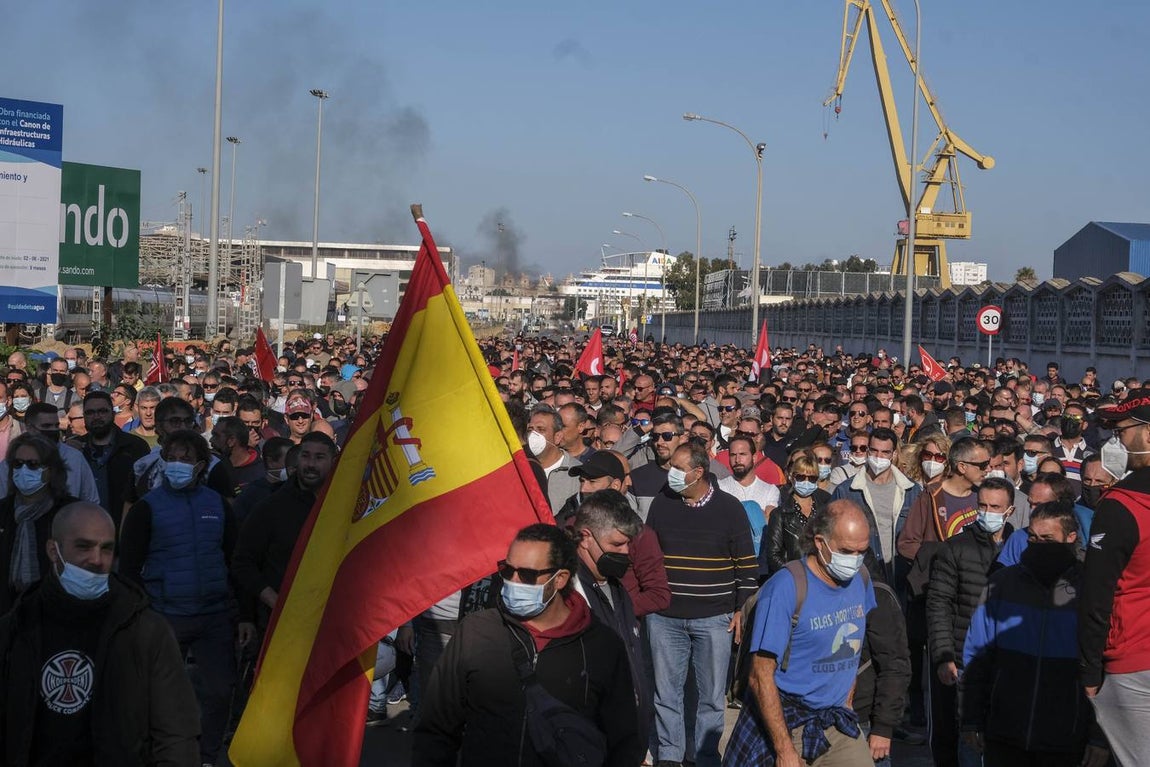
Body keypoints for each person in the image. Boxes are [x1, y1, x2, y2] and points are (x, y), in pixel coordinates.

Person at [413, 523, 643, 766]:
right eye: (507, 570)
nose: (513, 581)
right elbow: (436, 728)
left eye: (527, 575)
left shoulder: (603, 645)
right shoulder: (476, 631)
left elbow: (623, 740)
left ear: (560, 579)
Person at [0, 502, 201, 764]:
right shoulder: (16, 627)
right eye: (83, 546)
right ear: (53, 550)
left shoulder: (147, 631)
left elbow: (177, 732)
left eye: (107, 548)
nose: (97, 560)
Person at [118, 429, 242, 767]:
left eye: (185, 459)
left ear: (200, 465)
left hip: (214, 615)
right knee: (161, 695)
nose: (176, 464)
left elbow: (234, 559)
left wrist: (241, 614)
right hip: (165, 614)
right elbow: (128, 565)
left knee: (219, 692)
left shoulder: (216, 504)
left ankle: (205, 757)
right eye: (170, 458)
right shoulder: (147, 507)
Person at [725, 500, 877, 766]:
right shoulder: (786, 587)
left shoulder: (861, 579)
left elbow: (856, 643)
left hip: (835, 720)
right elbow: (760, 676)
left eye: (861, 552)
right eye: (846, 551)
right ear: (820, 542)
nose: (854, 560)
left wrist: (847, 699)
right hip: (787, 722)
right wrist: (784, 750)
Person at [962, 501, 1110, 767]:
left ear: (1071, 538)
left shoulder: (1090, 590)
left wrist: (1099, 736)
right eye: (1033, 537)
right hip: (1005, 733)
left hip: (1067, 737)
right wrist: (972, 718)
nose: (1038, 544)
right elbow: (977, 655)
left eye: (1048, 539)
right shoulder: (1002, 584)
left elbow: (1106, 666)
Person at [646, 442, 757, 767]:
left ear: (698, 472)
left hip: (714, 618)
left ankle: (705, 757)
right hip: (665, 618)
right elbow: (649, 556)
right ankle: (670, 756)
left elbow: (746, 567)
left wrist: (740, 610)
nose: (671, 473)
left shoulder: (730, 508)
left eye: (679, 469)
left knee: (710, 697)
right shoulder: (662, 503)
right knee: (667, 694)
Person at [1080, 390, 1150, 767]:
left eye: (1122, 431)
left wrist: (1089, 669)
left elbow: (1096, 594)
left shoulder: (1121, 505)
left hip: (1135, 662)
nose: (1116, 441)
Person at [925, 475, 1016, 767]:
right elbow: (938, 603)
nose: (987, 512)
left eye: (995, 506)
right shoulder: (955, 548)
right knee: (962, 736)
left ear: (1010, 511)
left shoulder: (1020, 547)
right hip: (963, 656)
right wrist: (943, 656)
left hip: (1005, 660)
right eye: (983, 505)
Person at [570, 490, 652, 745]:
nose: (626, 552)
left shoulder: (618, 590)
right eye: (617, 544)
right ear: (586, 538)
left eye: (628, 544)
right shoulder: (569, 594)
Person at [232, 433, 337, 628]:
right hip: (283, 624)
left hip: (333, 620)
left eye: (319, 457)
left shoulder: (345, 505)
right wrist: (275, 602)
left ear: (333, 461)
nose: (311, 464)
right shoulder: (271, 507)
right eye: (306, 456)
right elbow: (243, 562)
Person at [0, 433, 80, 613]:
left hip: (57, 613)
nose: (24, 470)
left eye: (33, 464)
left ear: (51, 469)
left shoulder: (71, 512)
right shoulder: (3, 511)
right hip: (7, 616)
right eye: (18, 464)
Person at [832, 427, 920, 587]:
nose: (878, 457)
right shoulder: (846, 490)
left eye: (885, 452)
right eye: (874, 451)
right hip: (862, 577)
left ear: (894, 455)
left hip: (902, 576)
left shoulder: (911, 490)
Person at [66, 391, 150, 531]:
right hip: (84, 530)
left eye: (102, 411)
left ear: (112, 413)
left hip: (124, 530)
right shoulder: (73, 450)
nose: (97, 416)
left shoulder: (135, 447)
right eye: (90, 412)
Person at [0, 403, 100, 505]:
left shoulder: (74, 458)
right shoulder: (13, 462)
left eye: (56, 425)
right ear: (29, 427)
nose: (53, 430)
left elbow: (91, 501)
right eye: (46, 426)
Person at [762, 453, 833, 577]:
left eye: (811, 478)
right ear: (791, 477)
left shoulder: (825, 508)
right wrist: (794, 576)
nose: (806, 482)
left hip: (823, 576)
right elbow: (773, 555)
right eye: (801, 477)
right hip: (793, 578)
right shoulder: (779, 514)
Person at [718, 434, 781, 557]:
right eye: (733, 455)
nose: (737, 460)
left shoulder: (770, 490)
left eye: (742, 454)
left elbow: (769, 524)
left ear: (754, 457)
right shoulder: (719, 487)